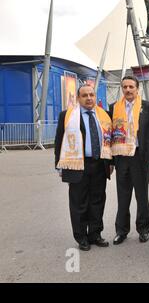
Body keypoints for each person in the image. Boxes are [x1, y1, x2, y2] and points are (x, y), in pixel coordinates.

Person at [54, 85, 113, 251]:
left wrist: (111, 162)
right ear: (78, 98)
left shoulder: (104, 116)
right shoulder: (67, 116)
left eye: (92, 95)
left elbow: (110, 139)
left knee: (97, 201)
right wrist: (59, 166)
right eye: (85, 95)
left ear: (95, 97)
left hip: (99, 164)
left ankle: (95, 234)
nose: (89, 98)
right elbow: (59, 142)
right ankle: (81, 237)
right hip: (77, 164)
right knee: (79, 203)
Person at [109, 76, 149, 245]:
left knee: (142, 196)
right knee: (123, 196)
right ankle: (121, 230)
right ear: (122, 89)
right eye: (125, 87)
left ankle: (143, 229)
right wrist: (111, 162)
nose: (128, 90)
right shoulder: (114, 108)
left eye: (131, 87)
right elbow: (110, 134)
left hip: (139, 157)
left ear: (137, 89)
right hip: (121, 156)